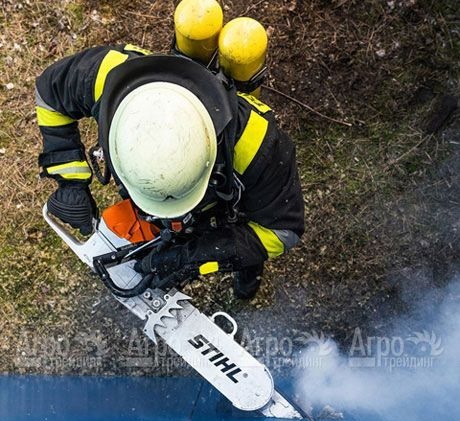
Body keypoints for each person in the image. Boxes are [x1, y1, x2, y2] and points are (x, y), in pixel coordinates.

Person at [36, 44, 304, 299]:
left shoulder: (259, 146)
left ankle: (247, 279)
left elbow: (283, 231)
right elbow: (50, 94)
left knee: (243, 244)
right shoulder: (106, 76)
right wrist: (70, 181)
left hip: (230, 202)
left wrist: (194, 258)